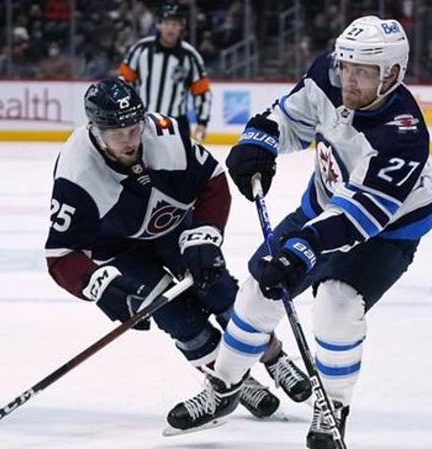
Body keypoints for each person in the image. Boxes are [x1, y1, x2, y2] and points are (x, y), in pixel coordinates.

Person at [166, 16, 432, 449]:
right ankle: (224, 388)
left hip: (387, 231)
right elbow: (289, 118)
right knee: (257, 291)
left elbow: (359, 215)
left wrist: (302, 249)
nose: (349, 79)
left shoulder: (402, 134)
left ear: (392, 75)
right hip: (323, 204)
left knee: (337, 304)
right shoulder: (328, 76)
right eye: (346, 66)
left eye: (363, 72)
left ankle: (333, 407)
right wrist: (258, 143)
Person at [43, 78, 312, 423]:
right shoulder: (76, 175)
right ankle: (230, 382)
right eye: (118, 133)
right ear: (94, 130)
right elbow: (61, 255)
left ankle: (274, 357)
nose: (130, 140)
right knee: (175, 316)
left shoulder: (164, 135)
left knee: (218, 289)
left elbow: (213, 179)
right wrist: (99, 285)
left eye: (134, 128)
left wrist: (205, 233)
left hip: (171, 227)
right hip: (117, 248)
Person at [118, 1, 212, 142]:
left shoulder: (190, 56)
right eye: (167, 23)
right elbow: (124, 83)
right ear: (158, 24)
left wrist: (202, 122)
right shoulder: (140, 50)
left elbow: (202, 91)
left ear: (181, 26)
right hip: (143, 121)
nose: (170, 28)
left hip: (176, 123)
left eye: (174, 24)